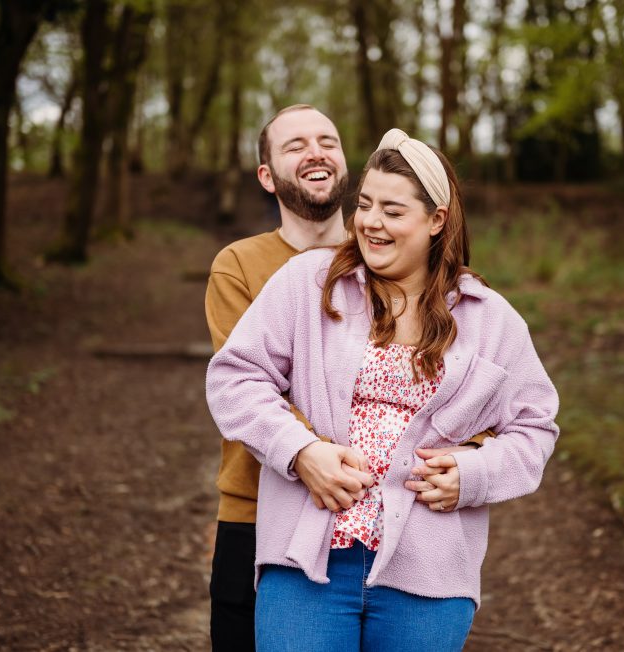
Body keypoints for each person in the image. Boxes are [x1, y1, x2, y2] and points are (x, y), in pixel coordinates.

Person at [206, 128, 560, 651]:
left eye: (393, 211)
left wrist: (475, 473)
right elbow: (236, 376)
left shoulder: (490, 319)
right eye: (365, 204)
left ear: (436, 220)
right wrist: (300, 451)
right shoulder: (308, 283)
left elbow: (534, 427)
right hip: (306, 564)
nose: (371, 222)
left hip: (430, 575)